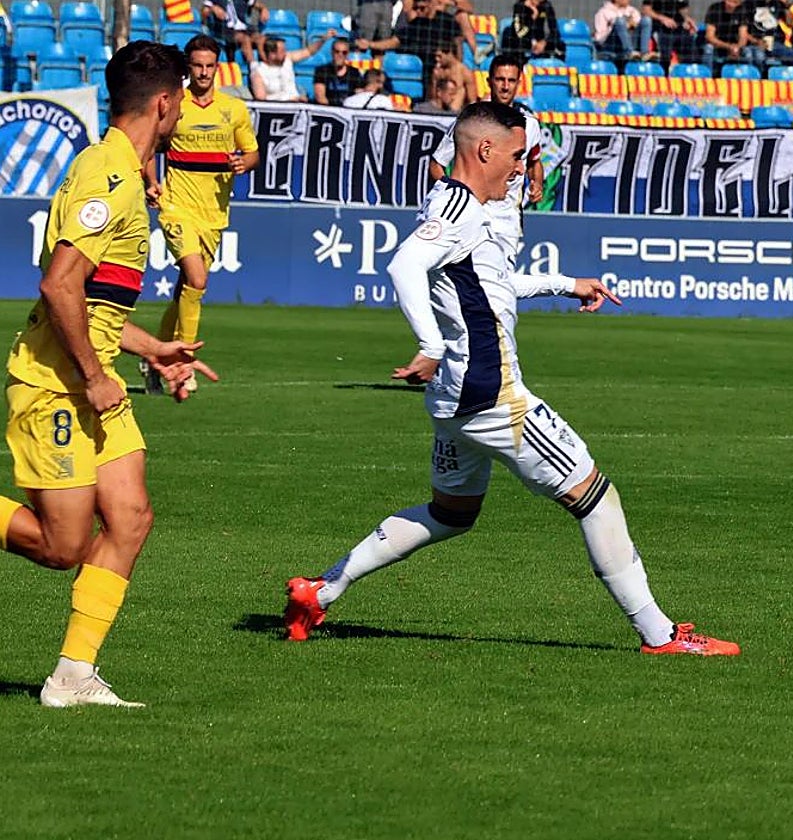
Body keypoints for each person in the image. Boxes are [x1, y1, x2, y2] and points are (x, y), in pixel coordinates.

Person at [282, 101, 739, 658]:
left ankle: (321, 590)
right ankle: (660, 635)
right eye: (518, 156)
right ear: (485, 151)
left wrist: (567, 284)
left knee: (451, 514)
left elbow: (493, 281)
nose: (522, 168)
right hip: (494, 397)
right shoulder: (459, 207)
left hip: (453, 398)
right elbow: (403, 265)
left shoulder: (455, 205)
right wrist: (430, 344)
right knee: (595, 497)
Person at [2, 40, 217, 709]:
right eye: (180, 99)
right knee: (64, 545)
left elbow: (90, 307)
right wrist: (96, 376)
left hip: (92, 379)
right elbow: (59, 286)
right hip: (56, 383)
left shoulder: (121, 170)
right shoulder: (111, 175)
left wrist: (151, 348)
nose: (182, 109)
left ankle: (71, 676)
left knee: (130, 518)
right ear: (164, 103)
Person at [142, 35, 259, 396]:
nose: (204, 72)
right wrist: (150, 181)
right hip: (176, 206)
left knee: (185, 292)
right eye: (197, 65)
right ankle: (182, 362)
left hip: (214, 213)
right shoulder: (174, 106)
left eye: (209, 65)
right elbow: (147, 145)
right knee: (197, 279)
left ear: (217, 66)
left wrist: (244, 162)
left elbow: (253, 152)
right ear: (187, 68)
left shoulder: (233, 109)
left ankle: (152, 358)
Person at [429, 53, 544, 270]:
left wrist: (537, 183)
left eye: (511, 80)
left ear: (519, 83)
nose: (505, 86)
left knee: (501, 290)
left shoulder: (530, 126)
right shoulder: (471, 121)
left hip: (506, 222)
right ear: (489, 81)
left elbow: (534, 163)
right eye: (500, 79)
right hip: (470, 216)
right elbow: (436, 165)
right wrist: (455, 194)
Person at [250, 31, 338, 102]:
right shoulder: (258, 72)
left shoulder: (287, 59)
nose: (286, 52)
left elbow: (308, 51)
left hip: (298, 104)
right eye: (282, 51)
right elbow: (261, 99)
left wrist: (323, 39)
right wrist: (288, 100)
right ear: (272, 54)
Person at [701, 0, 763, 73]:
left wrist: (737, 47)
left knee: (748, 52)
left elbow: (743, 36)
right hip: (718, 45)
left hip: (735, 46)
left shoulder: (742, 11)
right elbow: (709, 37)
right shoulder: (714, 9)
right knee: (708, 49)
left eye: (734, 2)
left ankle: (749, 77)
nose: (730, 4)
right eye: (729, 1)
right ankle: (707, 77)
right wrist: (729, 47)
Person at [203, 0, 267, 67]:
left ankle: (265, 64)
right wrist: (213, 8)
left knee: (261, 38)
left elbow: (255, 3)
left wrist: (263, 9)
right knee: (245, 39)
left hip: (244, 28)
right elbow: (204, 11)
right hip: (224, 30)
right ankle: (253, 66)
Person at [642, 0, 698, 72]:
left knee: (693, 53)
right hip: (660, 28)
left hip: (678, 27)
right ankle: (664, 74)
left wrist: (687, 19)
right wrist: (663, 19)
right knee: (665, 56)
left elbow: (683, 9)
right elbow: (646, 11)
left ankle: (689, 76)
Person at [501, 0, 565, 62]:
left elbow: (555, 32)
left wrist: (544, 42)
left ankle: (556, 68)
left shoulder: (547, 6)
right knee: (511, 38)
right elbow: (519, 34)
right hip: (524, 41)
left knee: (560, 44)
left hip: (540, 42)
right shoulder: (520, 6)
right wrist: (532, 18)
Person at [313, 38, 364, 107]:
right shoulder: (322, 71)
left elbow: (359, 96)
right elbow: (320, 97)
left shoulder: (354, 73)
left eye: (344, 52)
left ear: (348, 54)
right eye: (337, 52)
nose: (340, 55)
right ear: (332, 52)